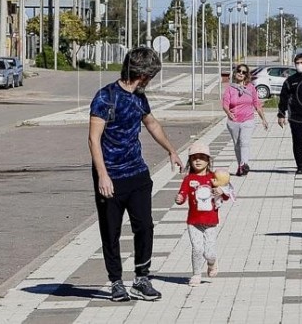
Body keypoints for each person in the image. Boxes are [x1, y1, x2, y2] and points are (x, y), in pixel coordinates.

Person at [88, 47, 183, 302]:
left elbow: (151, 123)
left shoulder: (140, 97)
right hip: (111, 175)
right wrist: (103, 176)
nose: (150, 81)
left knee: (145, 226)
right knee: (111, 231)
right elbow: (94, 139)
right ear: (141, 73)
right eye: (150, 75)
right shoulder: (105, 97)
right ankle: (116, 282)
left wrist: (171, 150)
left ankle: (142, 278)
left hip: (138, 173)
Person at [174, 142, 230, 286]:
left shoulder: (214, 177)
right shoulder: (189, 179)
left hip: (210, 221)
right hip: (194, 221)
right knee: (197, 249)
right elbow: (182, 194)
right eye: (194, 158)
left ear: (208, 160)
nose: (198, 161)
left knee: (209, 252)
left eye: (202, 158)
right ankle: (196, 274)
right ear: (190, 161)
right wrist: (179, 199)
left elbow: (227, 195)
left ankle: (212, 262)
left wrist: (221, 191)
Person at [222, 63, 269, 176]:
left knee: (245, 142)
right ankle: (240, 166)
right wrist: (228, 113)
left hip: (248, 120)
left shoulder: (251, 88)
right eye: (239, 71)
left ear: (246, 75)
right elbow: (225, 104)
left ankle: (244, 164)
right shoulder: (230, 89)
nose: (241, 73)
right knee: (237, 145)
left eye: (243, 72)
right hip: (233, 121)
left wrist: (263, 119)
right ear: (235, 72)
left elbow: (257, 104)